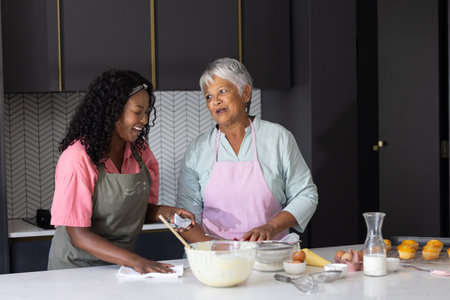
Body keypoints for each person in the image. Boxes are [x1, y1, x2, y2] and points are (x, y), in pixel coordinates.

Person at [48, 70, 195, 273]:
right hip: (75, 269)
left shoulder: (141, 153)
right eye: (138, 112)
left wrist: (168, 213)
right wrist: (136, 261)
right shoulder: (78, 158)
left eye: (147, 112)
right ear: (113, 110)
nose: (144, 120)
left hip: (120, 268)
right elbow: (78, 234)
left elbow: (140, 210)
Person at [176, 58, 318, 242]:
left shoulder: (278, 137)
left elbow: (306, 195)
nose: (215, 101)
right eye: (208, 96)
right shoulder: (198, 149)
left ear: (245, 93)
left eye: (222, 91)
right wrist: (214, 251)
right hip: (214, 259)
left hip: (269, 253)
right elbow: (185, 216)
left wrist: (271, 227)